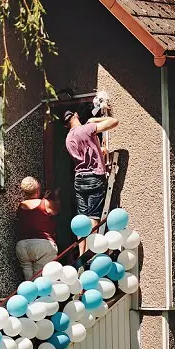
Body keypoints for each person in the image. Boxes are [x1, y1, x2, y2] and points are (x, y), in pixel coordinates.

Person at [64, 104, 119, 255]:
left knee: (82, 219)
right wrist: (94, 119)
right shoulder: (87, 128)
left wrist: (99, 152)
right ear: (75, 115)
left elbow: (84, 153)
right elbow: (114, 122)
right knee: (94, 217)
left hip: (79, 179)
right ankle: (91, 253)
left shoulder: (68, 138)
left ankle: (82, 253)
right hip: (94, 176)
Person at [14, 176, 60, 280]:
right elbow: (58, 209)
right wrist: (55, 196)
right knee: (42, 280)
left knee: (29, 281)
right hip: (42, 245)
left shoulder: (21, 205)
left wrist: (43, 199)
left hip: (22, 246)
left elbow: (32, 215)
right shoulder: (46, 203)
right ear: (38, 189)